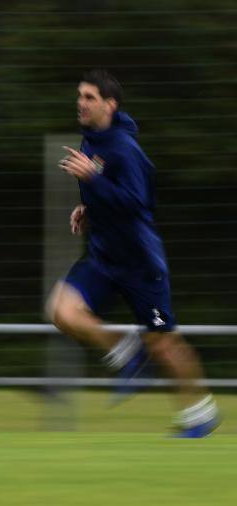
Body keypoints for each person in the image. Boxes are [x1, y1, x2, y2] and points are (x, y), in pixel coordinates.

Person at [46, 69, 219, 437]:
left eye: (89, 97)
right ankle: (129, 353)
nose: (80, 102)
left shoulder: (126, 148)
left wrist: (93, 181)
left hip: (140, 264)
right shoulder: (91, 139)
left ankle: (200, 415)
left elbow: (140, 204)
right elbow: (109, 191)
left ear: (110, 104)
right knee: (62, 311)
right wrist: (88, 205)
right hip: (103, 258)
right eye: (80, 95)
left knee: (164, 343)